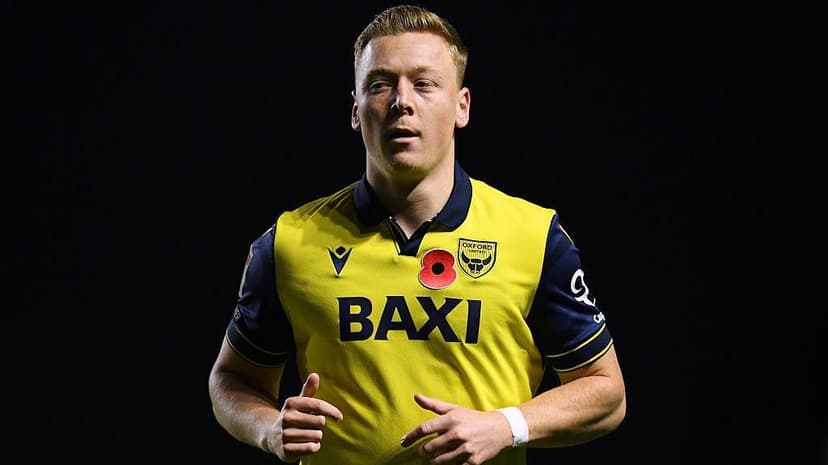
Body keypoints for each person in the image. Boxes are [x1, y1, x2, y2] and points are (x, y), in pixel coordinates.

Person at [207, 4, 626, 465]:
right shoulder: (290, 242)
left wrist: (505, 425)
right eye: (380, 84)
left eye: (424, 84)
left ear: (462, 106)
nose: (401, 101)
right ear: (355, 110)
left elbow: (606, 393)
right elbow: (232, 381)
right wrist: (269, 428)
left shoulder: (534, 237)